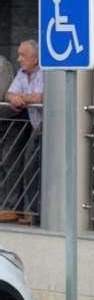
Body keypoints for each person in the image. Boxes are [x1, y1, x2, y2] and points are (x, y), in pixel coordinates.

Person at [1, 40, 42, 225]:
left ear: (35, 58)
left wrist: (23, 98)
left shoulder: (46, 72)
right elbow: (9, 94)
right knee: (29, 165)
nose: (18, 59)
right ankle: (28, 211)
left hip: (48, 125)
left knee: (31, 164)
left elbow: (45, 95)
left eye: (22, 55)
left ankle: (33, 213)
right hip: (34, 125)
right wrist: (15, 98)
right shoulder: (22, 73)